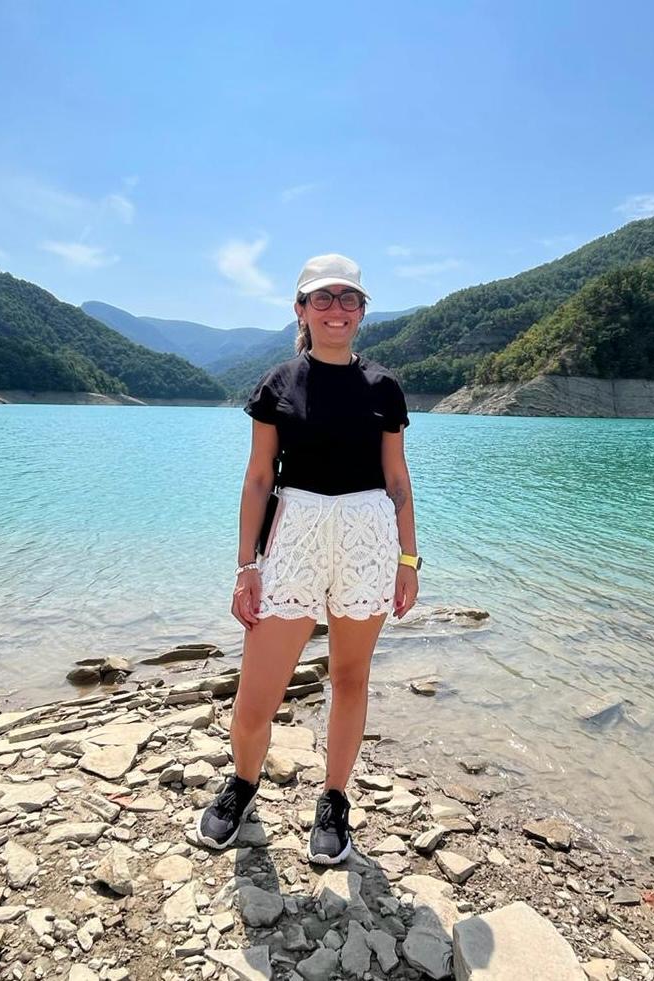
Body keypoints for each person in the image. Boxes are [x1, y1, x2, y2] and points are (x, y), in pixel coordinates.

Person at [194, 253, 421, 864]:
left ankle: (335, 800)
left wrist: (408, 558)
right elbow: (259, 476)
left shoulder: (383, 387)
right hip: (293, 535)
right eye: (323, 298)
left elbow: (398, 479)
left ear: (362, 312)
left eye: (349, 298)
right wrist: (247, 565)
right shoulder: (277, 383)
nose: (336, 309)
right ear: (301, 309)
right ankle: (242, 786)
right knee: (255, 693)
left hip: (368, 536)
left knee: (350, 678)